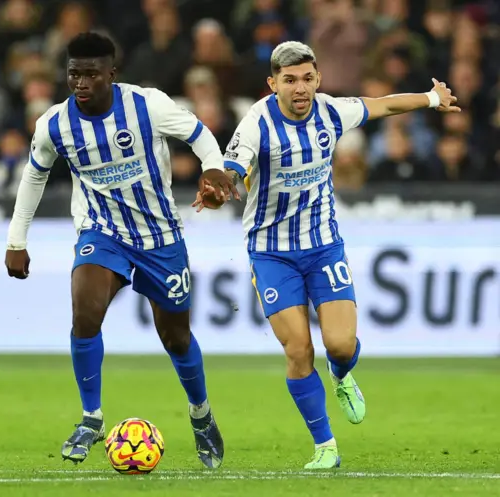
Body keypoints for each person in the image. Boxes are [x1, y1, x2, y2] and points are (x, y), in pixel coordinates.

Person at [194, 41, 459, 469]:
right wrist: (219, 189)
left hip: (322, 246)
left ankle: (341, 374)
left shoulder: (331, 111)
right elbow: (233, 169)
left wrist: (431, 98)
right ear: (273, 83)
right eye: (290, 80)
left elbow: (382, 106)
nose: (300, 88)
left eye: (307, 79)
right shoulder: (257, 122)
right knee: (298, 350)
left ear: (318, 78)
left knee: (339, 344)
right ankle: (325, 447)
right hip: (271, 253)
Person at [5, 32, 236, 469]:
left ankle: (202, 416)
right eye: (74, 73)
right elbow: (33, 177)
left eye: (91, 73)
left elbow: (200, 133)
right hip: (102, 232)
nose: (81, 82)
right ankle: (91, 418)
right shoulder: (54, 124)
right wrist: (17, 240)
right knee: (85, 312)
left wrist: (213, 166)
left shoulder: (147, 105)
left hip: (160, 237)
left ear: (112, 73)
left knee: (176, 337)